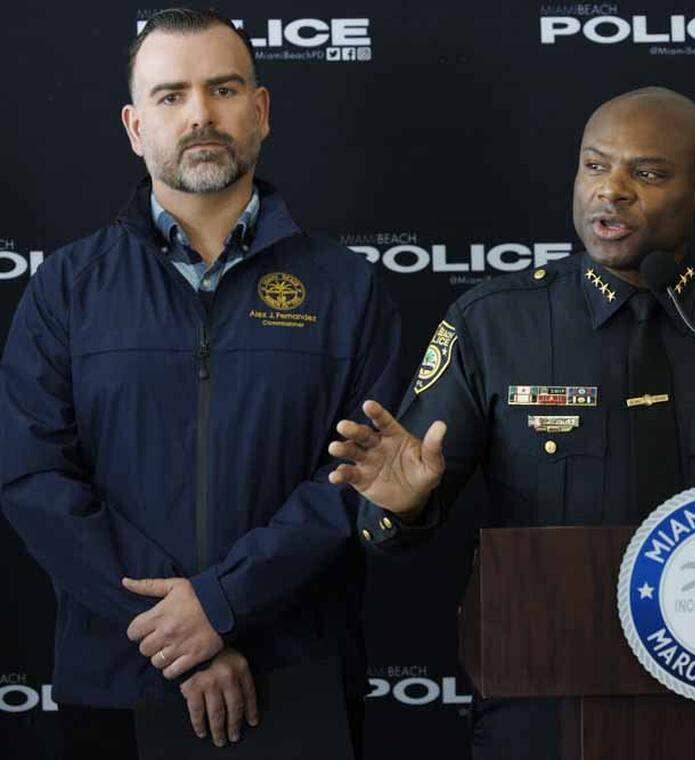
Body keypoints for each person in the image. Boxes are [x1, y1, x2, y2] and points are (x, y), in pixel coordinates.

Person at [329, 86, 695, 758]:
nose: (613, 190)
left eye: (646, 174)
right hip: (546, 701)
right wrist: (402, 505)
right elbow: (391, 526)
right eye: (595, 167)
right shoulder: (495, 323)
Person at [0, 8, 401, 757]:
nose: (200, 115)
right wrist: (182, 632)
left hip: (296, 677)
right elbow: (34, 478)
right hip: (119, 677)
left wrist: (221, 603)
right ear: (133, 125)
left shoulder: (348, 290)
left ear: (262, 109)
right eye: (171, 96)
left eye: (223, 89)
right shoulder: (67, 288)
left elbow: (354, 479)